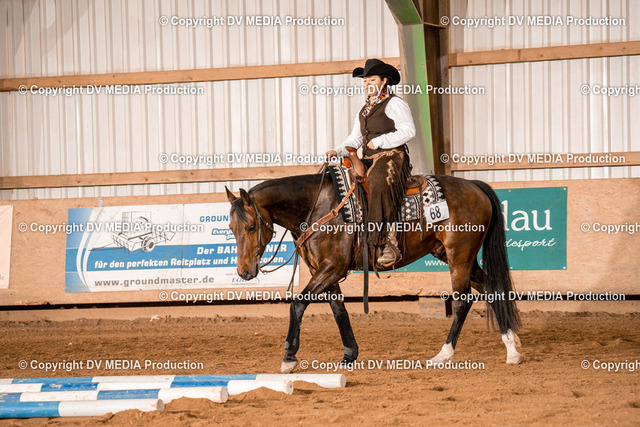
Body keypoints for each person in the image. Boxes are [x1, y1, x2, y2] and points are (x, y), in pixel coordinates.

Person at [326, 59, 416, 267]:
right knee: (340, 180)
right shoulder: (364, 110)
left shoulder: (395, 104)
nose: (367, 83)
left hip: (391, 156)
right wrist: (338, 150)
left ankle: (389, 242)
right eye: (365, 80)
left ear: (384, 81)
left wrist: (381, 141)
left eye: (372, 79)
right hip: (368, 158)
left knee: (379, 183)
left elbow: (408, 130)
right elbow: (355, 138)